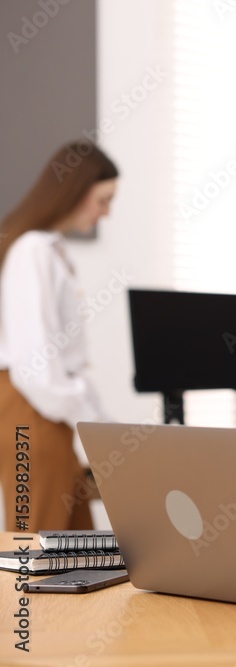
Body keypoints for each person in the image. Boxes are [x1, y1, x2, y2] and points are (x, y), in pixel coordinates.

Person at [0, 141, 119, 531]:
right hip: (31, 410)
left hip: (49, 412)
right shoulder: (32, 251)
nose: (106, 212)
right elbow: (35, 367)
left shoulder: (50, 252)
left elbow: (63, 367)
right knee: (31, 549)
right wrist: (90, 420)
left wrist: (98, 422)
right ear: (76, 189)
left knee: (75, 545)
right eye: (103, 199)